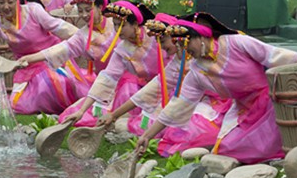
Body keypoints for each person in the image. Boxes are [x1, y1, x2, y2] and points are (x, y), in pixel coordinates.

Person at [135, 13, 297, 164]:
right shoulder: (196, 72)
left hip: (271, 102)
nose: (184, 49)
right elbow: (178, 105)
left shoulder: (236, 43)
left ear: (201, 37)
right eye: (178, 45)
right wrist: (148, 136)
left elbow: (274, 55)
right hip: (242, 110)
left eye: (185, 43)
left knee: (269, 143)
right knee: (226, 148)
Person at [96, 15, 229, 154]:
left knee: (193, 129)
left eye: (163, 40)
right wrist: (114, 115)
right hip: (194, 101)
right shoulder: (178, 63)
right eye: (158, 41)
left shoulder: (226, 47)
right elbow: (151, 91)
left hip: (222, 104)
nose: (161, 46)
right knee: (174, 131)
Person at [60, 0, 171, 132]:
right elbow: (107, 78)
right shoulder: (122, 49)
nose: (117, 30)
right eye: (115, 25)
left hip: (173, 88)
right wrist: (82, 111)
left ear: (135, 24)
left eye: (122, 25)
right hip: (147, 91)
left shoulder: (156, 37)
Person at [16, 0, 115, 100]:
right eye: (80, 11)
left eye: (88, 10)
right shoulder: (82, 36)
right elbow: (59, 49)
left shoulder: (115, 24)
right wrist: (29, 58)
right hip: (108, 87)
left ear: (100, 7)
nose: (84, 15)